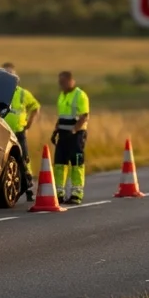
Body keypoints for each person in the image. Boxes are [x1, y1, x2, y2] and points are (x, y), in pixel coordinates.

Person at [1, 62, 41, 201]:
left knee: (24, 159)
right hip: (2, 131)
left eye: (11, 75)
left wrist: (29, 123)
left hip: (18, 132)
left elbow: (35, 106)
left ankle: (29, 187)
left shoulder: (23, 94)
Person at [49, 71, 90, 205]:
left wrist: (74, 130)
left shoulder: (80, 95)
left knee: (76, 163)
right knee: (60, 164)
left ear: (71, 81)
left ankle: (76, 194)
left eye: (63, 82)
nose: (61, 85)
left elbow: (84, 116)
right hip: (63, 134)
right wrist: (55, 131)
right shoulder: (62, 95)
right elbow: (62, 116)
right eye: (60, 83)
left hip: (76, 136)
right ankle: (59, 193)